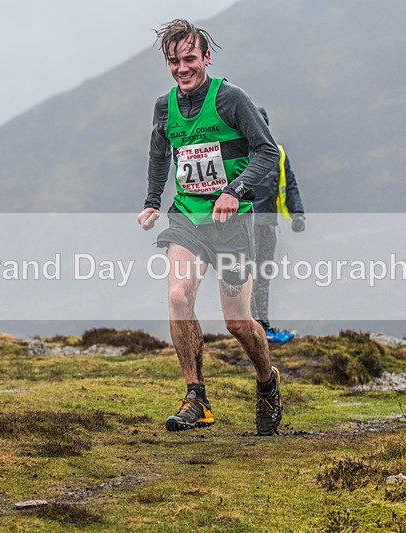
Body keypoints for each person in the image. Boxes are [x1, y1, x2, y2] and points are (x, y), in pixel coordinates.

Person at [136, 19, 282, 436]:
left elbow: (267, 151)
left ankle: (267, 382)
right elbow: (159, 154)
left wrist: (235, 190)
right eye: (174, 61)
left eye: (190, 59)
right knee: (179, 295)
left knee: (237, 323)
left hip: (232, 223)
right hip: (187, 217)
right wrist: (151, 201)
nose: (182, 69)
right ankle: (196, 397)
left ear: (205, 57)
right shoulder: (164, 107)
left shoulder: (232, 99)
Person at [251, 107, 306, 344]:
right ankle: (252, 328)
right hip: (243, 227)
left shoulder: (277, 154)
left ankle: (261, 326)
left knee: (262, 276)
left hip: (268, 226)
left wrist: (297, 214)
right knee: (247, 277)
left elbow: (289, 184)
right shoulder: (236, 153)